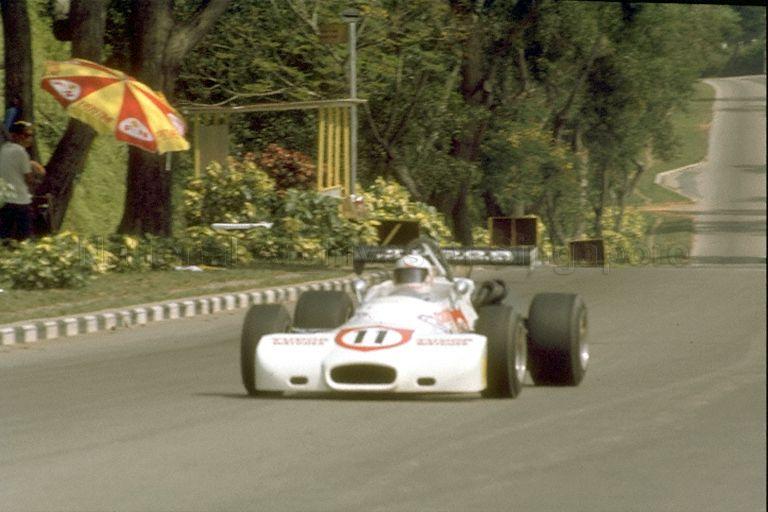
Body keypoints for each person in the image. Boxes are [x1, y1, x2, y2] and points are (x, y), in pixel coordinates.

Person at [0, 121, 45, 241]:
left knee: (4, 236)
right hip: (20, 201)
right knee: (25, 239)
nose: (29, 138)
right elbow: (28, 179)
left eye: (31, 135)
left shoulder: (4, 149)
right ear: (15, 135)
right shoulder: (21, 152)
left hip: (5, 199)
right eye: (26, 135)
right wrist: (38, 180)